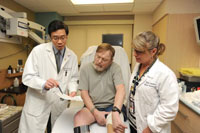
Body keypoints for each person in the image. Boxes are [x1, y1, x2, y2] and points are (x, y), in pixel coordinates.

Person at [18, 20, 79, 133]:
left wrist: (73, 90)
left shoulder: (72, 56)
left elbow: (73, 78)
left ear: (67, 36)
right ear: (50, 37)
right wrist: (43, 83)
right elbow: (27, 77)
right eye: (55, 38)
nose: (60, 41)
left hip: (59, 103)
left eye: (63, 37)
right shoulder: (38, 51)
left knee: (56, 128)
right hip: (39, 102)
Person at [127, 31, 179, 133]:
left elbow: (169, 108)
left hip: (150, 128)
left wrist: (150, 128)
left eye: (139, 51)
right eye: (134, 50)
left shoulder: (165, 74)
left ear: (153, 51)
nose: (134, 54)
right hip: (133, 123)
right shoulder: (138, 66)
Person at [74, 43, 127, 133]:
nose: (99, 61)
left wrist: (115, 111)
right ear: (95, 54)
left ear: (111, 61)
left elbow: (121, 89)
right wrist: (95, 112)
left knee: (116, 126)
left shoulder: (115, 68)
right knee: (79, 118)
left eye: (104, 60)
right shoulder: (85, 69)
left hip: (112, 107)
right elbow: (84, 94)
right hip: (92, 107)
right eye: (98, 57)